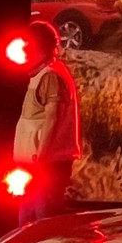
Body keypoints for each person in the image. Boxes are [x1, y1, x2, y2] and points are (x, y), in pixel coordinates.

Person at [14, 20, 81, 224]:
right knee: (29, 219)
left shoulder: (50, 76)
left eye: (26, 43)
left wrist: (40, 159)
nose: (23, 48)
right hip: (37, 164)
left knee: (41, 222)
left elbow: (52, 119)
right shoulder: (43, 74)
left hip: (45, 165)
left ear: (38, 45)